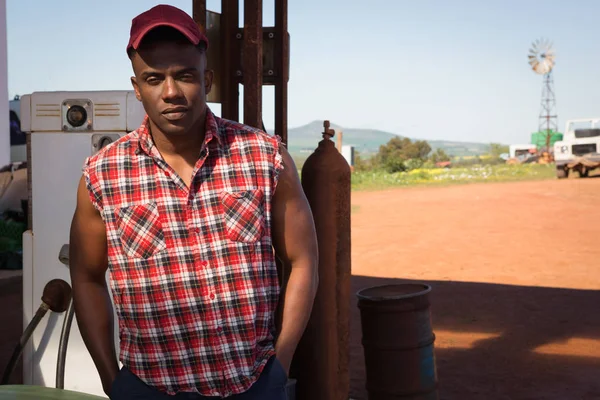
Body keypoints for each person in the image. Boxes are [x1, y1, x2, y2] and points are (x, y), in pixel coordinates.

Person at [68, 4, 319, 399]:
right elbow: (85, 277)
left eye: (184, 76)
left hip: (252, 384)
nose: (170, 92)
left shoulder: (264, 157)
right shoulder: (103, 175)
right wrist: (111, 380)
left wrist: (280, 364)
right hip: (149, 388)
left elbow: (303, 260)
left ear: (208, 80)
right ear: (137, 88)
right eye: (154, 79)